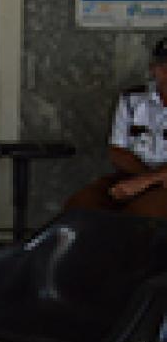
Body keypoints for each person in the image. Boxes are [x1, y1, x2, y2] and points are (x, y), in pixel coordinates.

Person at [62, 37, 167, 219]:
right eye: (163, 66)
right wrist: (141, 180)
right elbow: (117, 151)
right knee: (81, 205)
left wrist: (147, 182)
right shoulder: (132, 99)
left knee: (144, 214)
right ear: (153, 69)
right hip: (134, 174)